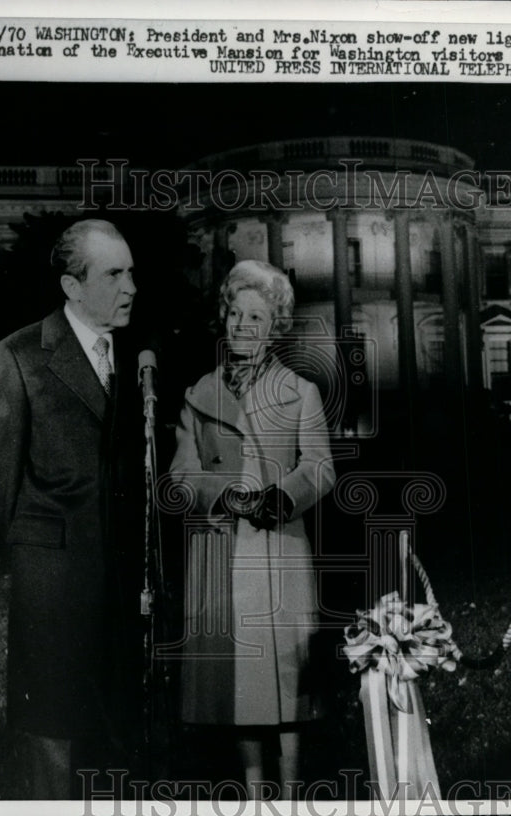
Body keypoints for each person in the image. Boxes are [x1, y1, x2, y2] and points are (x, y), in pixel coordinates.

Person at [0, 219, 141, 798]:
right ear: (72, 286)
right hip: (54, 580)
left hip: (121, 577)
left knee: (113, 723)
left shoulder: (138, 361)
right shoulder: (18, 355)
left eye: (131, 272)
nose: (130, 286)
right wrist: (38, 541)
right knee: (52, 726)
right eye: (114, 274)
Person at [167, 260, 335, 798]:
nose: (242, 325)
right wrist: (225, 493)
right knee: (241, 689)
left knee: (287, 682)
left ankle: (290, 796)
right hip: (223, 552)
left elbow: (322, 468)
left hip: (280, 550)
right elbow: (179, 478)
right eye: (235, 314)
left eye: (256, 316)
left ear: (275, 325)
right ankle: (254, 793)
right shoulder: (198, 394)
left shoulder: (300, 390)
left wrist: (282, 496)